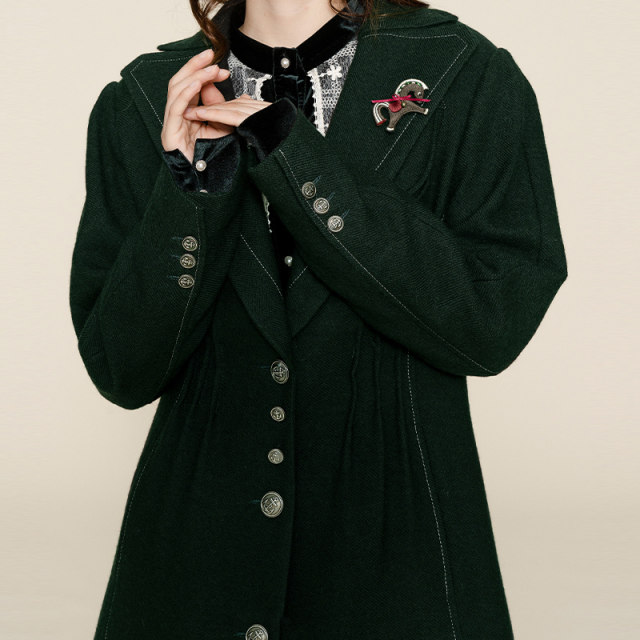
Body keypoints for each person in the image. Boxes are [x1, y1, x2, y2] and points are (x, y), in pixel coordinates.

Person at [69, 0, 568, 638]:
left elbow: (490, 326)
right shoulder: (145, 96)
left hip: (397, 550)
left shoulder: (467, 73)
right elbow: (122, 370)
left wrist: (295, 157)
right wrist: (190, 193)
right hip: (195, 559)